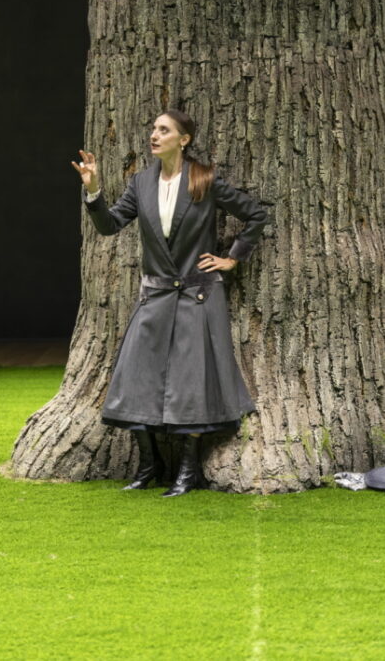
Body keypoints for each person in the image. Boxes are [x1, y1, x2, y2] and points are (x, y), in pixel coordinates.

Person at [71, 109, 268, 497]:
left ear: (184, 139)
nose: (154, 135)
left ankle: (188, 472)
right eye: (153, 129)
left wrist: (232, 258)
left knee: (190, 382)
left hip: (198, 296)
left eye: (164, 130)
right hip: (156, 295)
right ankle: (149, 467)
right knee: (135, 378)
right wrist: (93, 190)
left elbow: (255, 216)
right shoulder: (140, 183)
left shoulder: (204, 179)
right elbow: (109, 226)